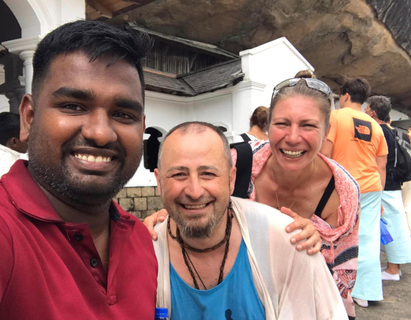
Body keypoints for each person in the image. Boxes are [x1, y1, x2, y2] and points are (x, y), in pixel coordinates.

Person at [0, 20, 157, 319]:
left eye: (122, 114)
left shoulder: (140, 238)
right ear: (28, 117)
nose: (101, 133)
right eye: (74, 106)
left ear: (140, 127)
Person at [153, 121, 347, 319]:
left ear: (231, 180)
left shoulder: (290, 244)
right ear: (159, 183)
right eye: (179, 174)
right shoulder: (145, 254)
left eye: (208, 174)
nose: (194, 191)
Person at [243, 78, 359, 318]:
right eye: (282, 123)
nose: (293, 137)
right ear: (268, 126)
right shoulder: (235, 164)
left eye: (308, 125)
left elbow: (342, 280)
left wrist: (317, 250)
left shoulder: (342, 192)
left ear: (327, 131)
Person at [321, 78, 387, 308]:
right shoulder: (376, 125)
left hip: (344, 187)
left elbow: (325, 155)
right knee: (369, 239)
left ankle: (345, 289)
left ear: (346, 95)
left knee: (342, 240)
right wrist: (379, 198)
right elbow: (381, 165)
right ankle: (367, 292)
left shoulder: (335, 117)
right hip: (372, 187)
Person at [365, 96, 411, 280]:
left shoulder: (379, 131)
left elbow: (380, 162)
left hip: (386, 185)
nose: (365, 111)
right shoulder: (391, 130)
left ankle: (392, 270)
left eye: (367, 109)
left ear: (373, 113)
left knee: (391, 227)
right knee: (394, 225)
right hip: (393, 184)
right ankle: (394, 267)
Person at [0, 112, 28, 179]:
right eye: (26, 137)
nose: (29, 140)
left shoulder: (0, 159)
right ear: (14, 142)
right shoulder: (9, 168)